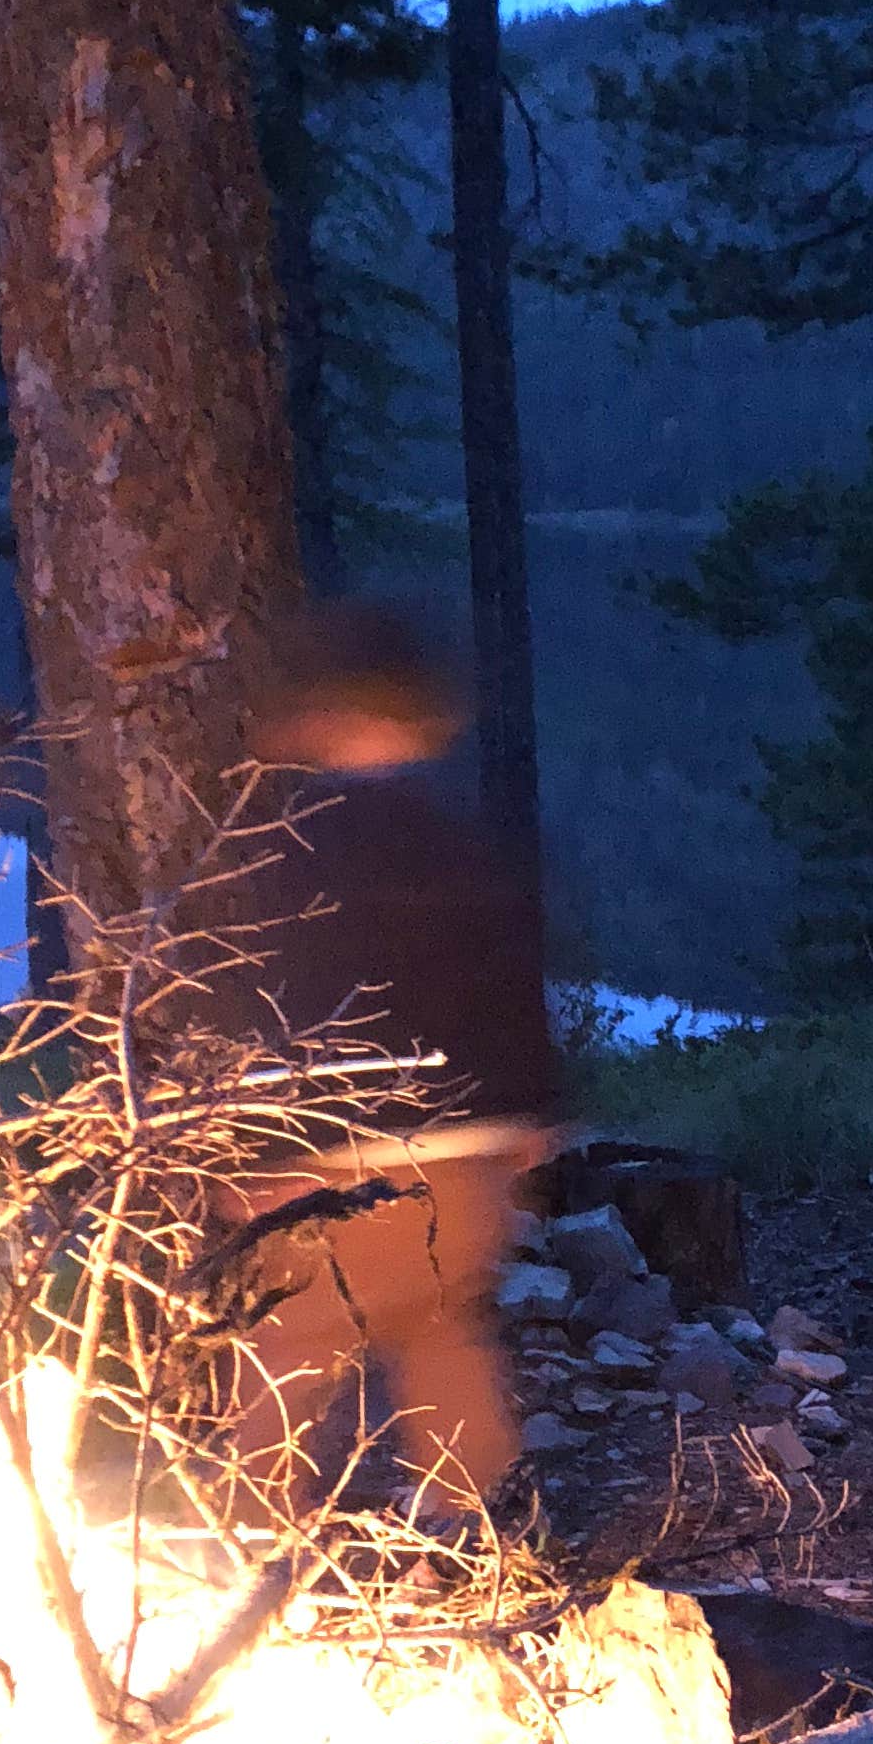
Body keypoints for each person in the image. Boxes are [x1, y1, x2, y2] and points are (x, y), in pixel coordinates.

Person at [225, 607, 565, 1516]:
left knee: (288, 1355)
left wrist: (237, 1152)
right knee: (445, 1336)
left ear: (316, 718)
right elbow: (513, 981)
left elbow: (247, 1005)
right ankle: (477, 1540)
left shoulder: (282, 859)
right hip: (462, 1153)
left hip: (328, 1160)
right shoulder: (464, 844)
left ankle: (248, 1552)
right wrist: (532, 1118)